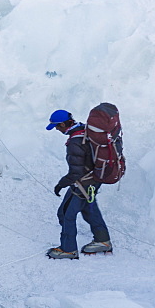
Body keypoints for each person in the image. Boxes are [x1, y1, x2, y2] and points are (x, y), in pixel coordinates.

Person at [45, 109, 113, 259]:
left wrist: (61, 184)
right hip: (93, 181)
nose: (56, 129)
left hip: (84, 183)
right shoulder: (83, 129)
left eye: (56, 126)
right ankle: (103, 241)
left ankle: (68, 249)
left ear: (63, 124)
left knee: (66, 213)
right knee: (90, 209)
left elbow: (76, 172)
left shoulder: (75, 142)